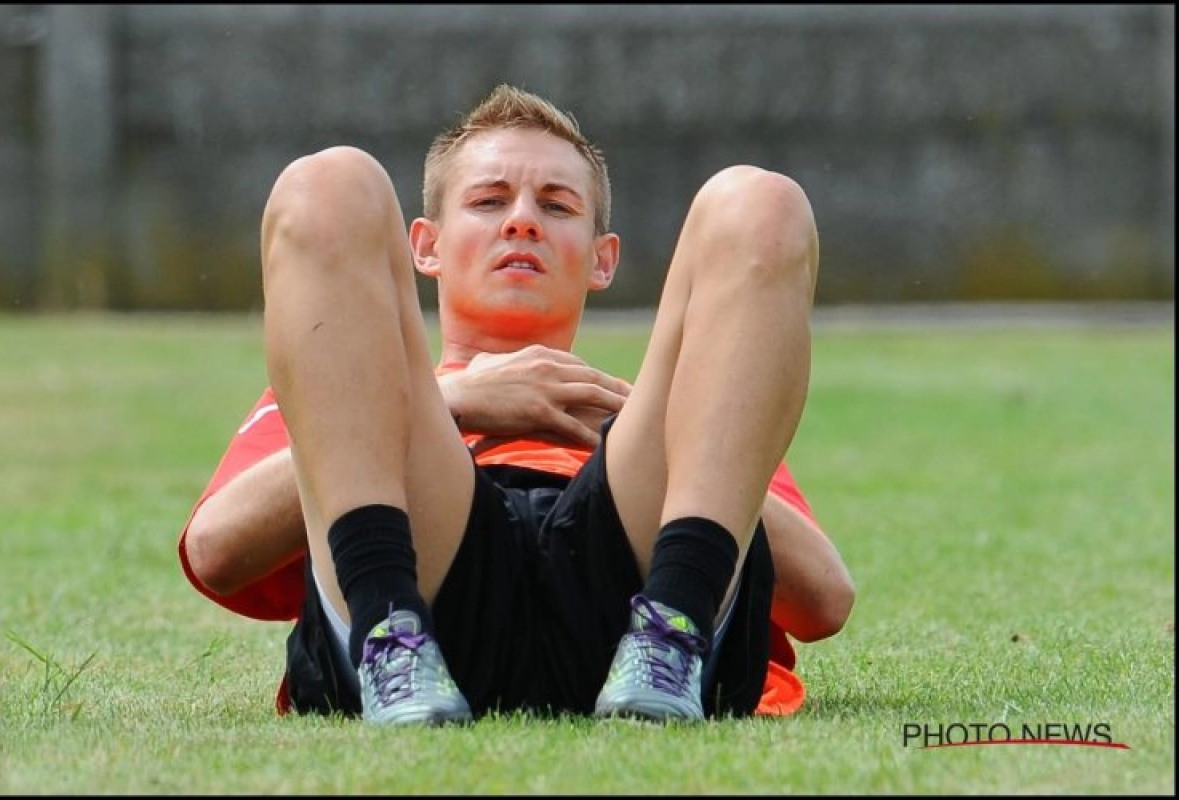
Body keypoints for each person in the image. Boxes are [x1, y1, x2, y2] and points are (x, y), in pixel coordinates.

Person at [178, 84, 854, 726]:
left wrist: (649, 435)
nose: (523, 222)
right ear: (426, 245)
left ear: (602, 260)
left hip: (639, 594)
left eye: (557, 207)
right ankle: (391, 637)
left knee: (763, 201)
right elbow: (216, 551)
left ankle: (671, 632)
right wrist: (453, 402)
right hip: (428, 584)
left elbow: (823, 599)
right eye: (489, 201)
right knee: (326, 183)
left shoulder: (693, 403)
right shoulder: (344, 376)